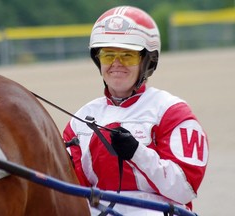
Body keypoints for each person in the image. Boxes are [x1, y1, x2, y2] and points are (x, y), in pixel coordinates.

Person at [63, 5, 209, 216]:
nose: (116, 64)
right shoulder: (79, 121)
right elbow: (71, 192)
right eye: (108, 55)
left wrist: (137, 153)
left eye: (127, 55)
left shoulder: (172, 112)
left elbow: (183, 190)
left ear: (147, 61)